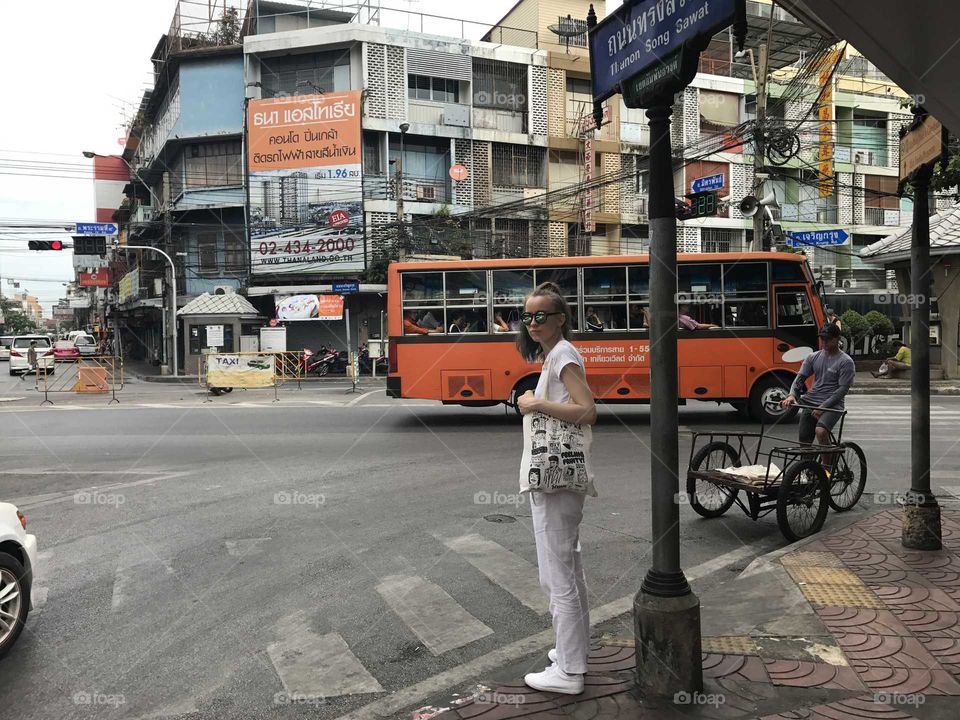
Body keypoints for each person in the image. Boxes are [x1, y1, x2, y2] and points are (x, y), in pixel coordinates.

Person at [516, 281, 597, 695]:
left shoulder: (563, 353)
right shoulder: (556, 354)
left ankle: (568, 673)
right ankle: (573, 653)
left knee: (557, 576)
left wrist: (534, 403)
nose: (532, 322)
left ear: (560, 318)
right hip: (562, 481)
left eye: (540, 315)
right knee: (569, 568)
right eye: (527, 316)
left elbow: (587, 411)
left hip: (556, 481)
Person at [781, 323, 855, 458]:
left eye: (828, 339)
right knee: (804, 440)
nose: (824, 342)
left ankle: (827, 471)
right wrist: (792, 395)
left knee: (820, 432)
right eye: (822, 339)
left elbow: (842, 390)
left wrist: (823, 407)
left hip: (832, 405)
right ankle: (808, 468)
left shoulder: (846, 362)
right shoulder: (812, 357)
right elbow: (800, 378)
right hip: (811, 400)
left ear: (838, 339)